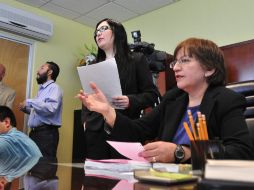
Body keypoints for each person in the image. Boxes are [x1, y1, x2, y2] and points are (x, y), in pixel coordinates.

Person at [78, 37, 254, 163]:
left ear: (209, 69)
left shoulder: (227, 99)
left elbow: (241, 152)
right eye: (175, 62)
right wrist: (107, 111)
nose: (176, 68)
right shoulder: (173, 98)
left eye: (184, 61)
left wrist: (181, 152)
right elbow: (139, 130)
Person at [81, 18, 161, 159]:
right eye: (96, 31)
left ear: (117, 33)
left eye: (103, 29)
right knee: (97, 178)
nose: (98, 34)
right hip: (95, 132)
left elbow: (152, 94)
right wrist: (85, 122)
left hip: (124, 127)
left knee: (124, 176)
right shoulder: (93, 64)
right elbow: (88, 99)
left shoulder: (136, 59)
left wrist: (130, 100)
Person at [19, 61, 63, 158]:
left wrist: (30, 101)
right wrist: (26, 109)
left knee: (44, 167)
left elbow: (51, 108)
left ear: (49, 72)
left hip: (46, 134)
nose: (37, 71)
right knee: (34, 166)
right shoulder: (42, 90)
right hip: (36, 133)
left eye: (42, 68)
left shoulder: (54, 88)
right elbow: (41, 112)